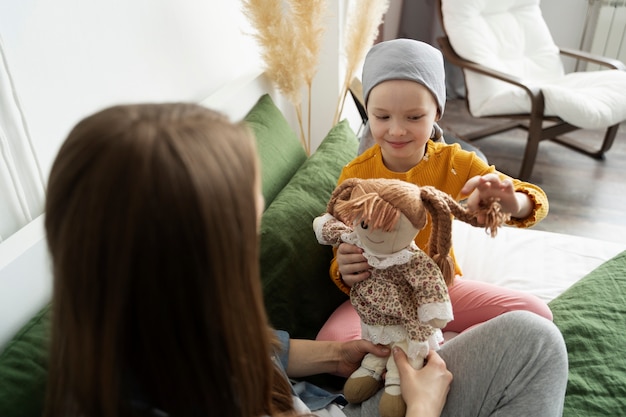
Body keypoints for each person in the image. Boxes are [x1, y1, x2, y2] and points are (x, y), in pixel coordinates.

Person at [42, 102, 567, 417]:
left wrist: (338, 357)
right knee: (536, 347)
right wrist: (424, 407)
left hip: (329, 388)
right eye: (246, 222)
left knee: (530, 331)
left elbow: (242, 347)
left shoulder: (134, 322)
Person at [316, 38, 553, 343]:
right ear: (369, 113)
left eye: (414, 117)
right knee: (330, 344)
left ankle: (431, 345)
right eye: (382, 116)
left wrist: (511, 202)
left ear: (437, 113)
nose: (397, 130)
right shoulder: (355, 174)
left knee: (537, 315)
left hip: (439, 290)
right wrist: (343, 269)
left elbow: (535, 201)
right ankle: (429, 349)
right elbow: (340, 242)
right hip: (378, 297)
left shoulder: (454, 162)